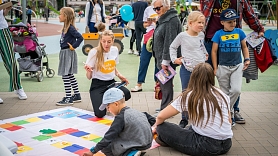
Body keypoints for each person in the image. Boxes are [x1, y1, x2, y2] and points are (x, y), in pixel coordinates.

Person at [200, 0, 264, 124]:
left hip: (234, 40)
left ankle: (233, 110)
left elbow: (249, 13)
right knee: (207, 76)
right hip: (210, 40)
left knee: (234, 84)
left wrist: (258, 28)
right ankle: (208, 109)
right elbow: (202, 14)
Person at [153, 63, 233, 155]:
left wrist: (155, 127)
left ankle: (166, 139)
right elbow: (229, 120)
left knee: (162, 127)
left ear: (193, 77)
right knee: (189, 128)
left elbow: (160, 116)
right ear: (211, 77)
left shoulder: (190, 95)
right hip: (226, 144)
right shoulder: (222, 94)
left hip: (205, 145)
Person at [82, 88, 153, 156]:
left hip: (137, 145)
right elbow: (153, 120)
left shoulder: (120, 118)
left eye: (108, 107)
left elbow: (108, 137)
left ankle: (129, 153)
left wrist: (92, 151)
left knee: (106, 147)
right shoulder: (136, 111)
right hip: (148, 143)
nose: (108, 110)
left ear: (116, 104)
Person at [211, 9, 250, 126]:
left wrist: (247, 59)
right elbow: (214, 51)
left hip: (237, 66)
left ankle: (227, 111)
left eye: (234, 21)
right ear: (222, 22)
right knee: (224, 93)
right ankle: (229, 116)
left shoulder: (239, 32)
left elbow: (244, 47)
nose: (233, 24)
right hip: (222, 67)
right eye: (230, 22)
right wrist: (215, 68)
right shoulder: (218, 34)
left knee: (236, 90)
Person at [169, 11, 208, 128]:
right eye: (199, 22)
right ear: (190, 23)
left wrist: (205, 53)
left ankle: (199, 116)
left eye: (203, 23)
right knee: (186, 93)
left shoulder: (201, 35)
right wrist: (174, 59)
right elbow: (173, 47)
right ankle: (184, 118)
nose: (201, 25)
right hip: (187, 69)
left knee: (201, 92)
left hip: (201, 69)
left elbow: (201, 46)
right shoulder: (182, 36)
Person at [84, 30, 131, 118]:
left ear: (113, 41)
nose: (106, 44)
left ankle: (108, 101)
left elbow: (112, 66)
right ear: (100, 41)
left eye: (109, 42)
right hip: (97, 84)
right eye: (104, 41)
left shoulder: (115, 50)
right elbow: (88, 77)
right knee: (100, 114)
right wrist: (89, 71)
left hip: (111, 83)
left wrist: (120, 75)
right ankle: (104, 100)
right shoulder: (94, 52)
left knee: (127, 94)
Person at [152, 0, 182, 114]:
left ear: (166, 7)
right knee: (164, 84)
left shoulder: (171, 20)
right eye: (155, 9)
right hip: (162, 59)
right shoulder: (165, 19)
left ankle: (165, 110)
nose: (156, 11)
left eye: (158, 8)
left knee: (166, 85)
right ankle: (164, 107)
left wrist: (166, 61)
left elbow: (169, 42)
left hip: (166, 60)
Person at [56, 7, 83, 106]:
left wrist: (74, 47)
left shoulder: (70, 28)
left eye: (60, 14)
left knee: (65, 75)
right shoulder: (66, 27)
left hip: (67, 52)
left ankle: (68, 97)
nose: (59, 16)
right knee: (70, 75)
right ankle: (77, 95)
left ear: (66, 16)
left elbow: (80, 37)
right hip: (65, 52)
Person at [0, 5, 27, 103]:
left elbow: (2, 14)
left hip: (3, 30)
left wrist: (7, 9)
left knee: (11, 60)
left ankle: (18, 87)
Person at [131, 1, 159, 92]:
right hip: (149, 37)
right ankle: (139, 83)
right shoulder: (148, 9)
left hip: (160, 37)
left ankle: (157, 84)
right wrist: (149, 23)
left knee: (158, 61)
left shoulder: (164, 8)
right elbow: (144, 24)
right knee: (143, 60)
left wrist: (157, 21)